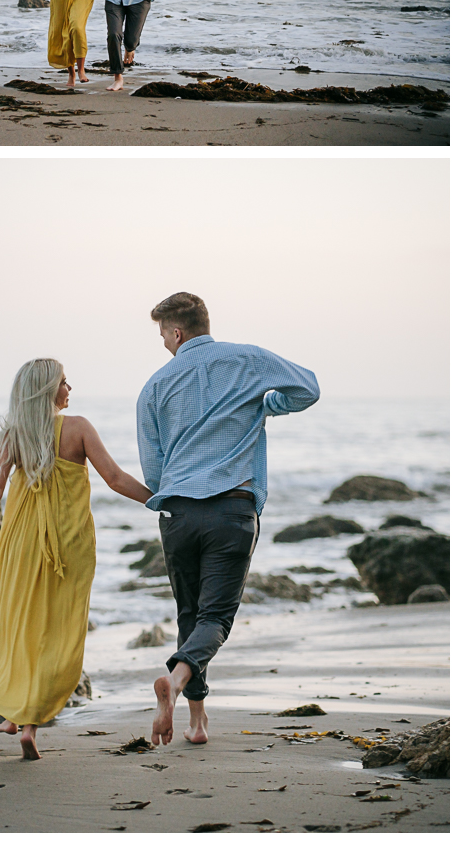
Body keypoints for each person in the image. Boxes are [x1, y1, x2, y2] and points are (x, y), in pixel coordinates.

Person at [0, 358, 152, 760]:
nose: (70, 389)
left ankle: (14, 713)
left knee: (18, 622)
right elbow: (115, 478)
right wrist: (158, 501)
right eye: (63, 383)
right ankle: (30, 722)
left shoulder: (15, 435)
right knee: (56, 629)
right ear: (47, 390)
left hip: (21, 543)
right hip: (69, 544)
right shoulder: (78, 428)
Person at [136, 293, 320, 747]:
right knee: (214, 619)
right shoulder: (248, 360)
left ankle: (196, 722)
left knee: (189, 614)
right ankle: (177, 686)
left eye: (162, 334)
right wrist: (265, 404)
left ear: (177, 332)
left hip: (178, 513)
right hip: (231, 510)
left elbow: (154, 472)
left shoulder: (154, 387)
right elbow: (308, 389)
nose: (163, 343)